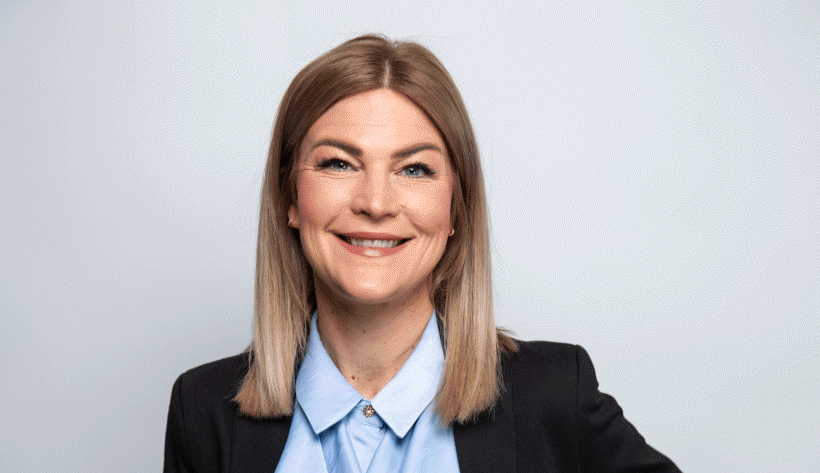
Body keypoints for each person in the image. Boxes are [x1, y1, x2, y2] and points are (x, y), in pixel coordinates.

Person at [163, 34, 681, 473]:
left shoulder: (553, 394)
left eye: (414, 169)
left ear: (455, 208)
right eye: (339, 163)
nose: (375, 204)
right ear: (289, 199)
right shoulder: (202, 411)